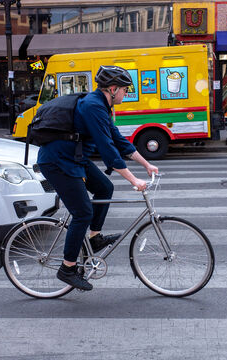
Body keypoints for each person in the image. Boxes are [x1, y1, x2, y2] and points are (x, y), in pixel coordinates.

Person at [38, 66, 159, 291]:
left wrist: (146, 164)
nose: (126, 93)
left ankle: (94, 237)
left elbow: (118, 141)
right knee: (82, 212)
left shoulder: (101, 105)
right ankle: (68, 268)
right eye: (125, 89)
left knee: (104, 187)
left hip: (74, 158)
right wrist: (134, 180)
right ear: (112, 89)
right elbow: (108, 150)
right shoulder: (93, 106)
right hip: (57, 161)